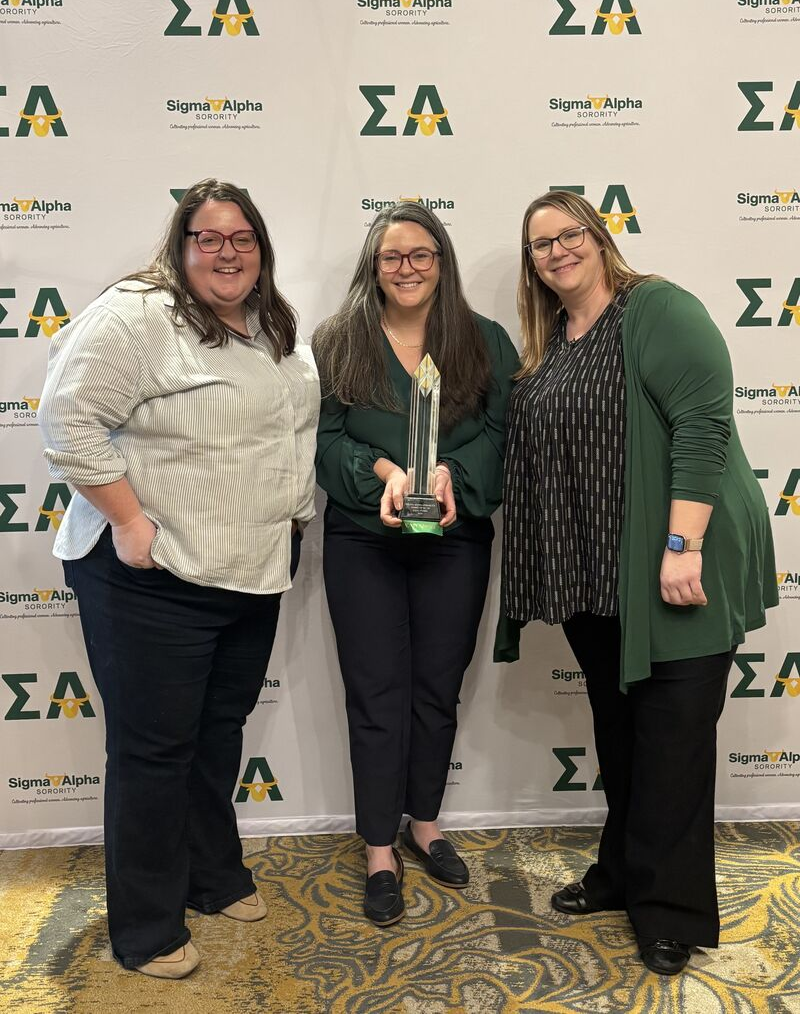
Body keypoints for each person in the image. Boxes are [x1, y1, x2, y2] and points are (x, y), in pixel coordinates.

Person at [38, 179, 320, 978]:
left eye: (242, 238)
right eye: (208, 237)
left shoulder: (273, 321)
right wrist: (129, 520)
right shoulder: (135, 315)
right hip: (151, 574)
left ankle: (209, 874)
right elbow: (67, 420)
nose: (226, 251)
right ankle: (146, 927)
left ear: (260, 249)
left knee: (214, 736)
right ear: (180, 244)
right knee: (152, 752)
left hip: (250, 568)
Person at [499, 189, 778, 976]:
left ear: (599, 234)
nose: (556, 252)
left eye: (569, 235)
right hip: (599, 577)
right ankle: (621, 875)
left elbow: (702, 424)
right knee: (622, 737)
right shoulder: (552, 339)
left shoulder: (654, 308)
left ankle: (673, 912)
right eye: (539, 245)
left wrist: (682, 541)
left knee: (673, 745)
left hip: (679, 563)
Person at [313, 202, 518, 926]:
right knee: (376, 692)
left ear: (442, 260)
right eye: (392, 256)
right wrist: (382, 471)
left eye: (421, 255)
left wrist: (452, 477)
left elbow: (501, 435)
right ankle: (378, 846)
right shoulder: (339, 341)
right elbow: (323, 440)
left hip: (453, 542)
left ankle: (423, 824)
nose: (407, 269)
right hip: (363, 540)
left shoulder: (486, 342)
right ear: (374, 265)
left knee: (436, 687)